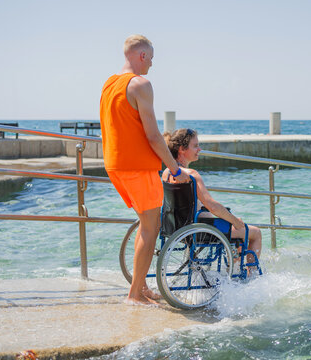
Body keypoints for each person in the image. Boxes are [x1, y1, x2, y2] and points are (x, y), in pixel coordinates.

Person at [100, 35, 189, 305]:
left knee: (146, 225)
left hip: (115, 164)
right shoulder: (141, 84)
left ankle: (142, 286)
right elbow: (153, 136)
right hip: (138, 166)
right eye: (150, 57)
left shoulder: (109, 84)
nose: (152, 62)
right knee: (151, 228)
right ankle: (135, 294)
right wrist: (175, 168)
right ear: (141, 56)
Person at [162, 129, 262, 269]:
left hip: (177, 227)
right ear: (182, 150)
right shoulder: (191, 175)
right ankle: (249, 276)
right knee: (255, 233)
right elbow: (212, 206)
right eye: (195, 146)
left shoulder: (167, 172)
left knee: (234, 224)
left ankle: (236, 268)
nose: (199, 149)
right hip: (199, 230)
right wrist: (234, 221)